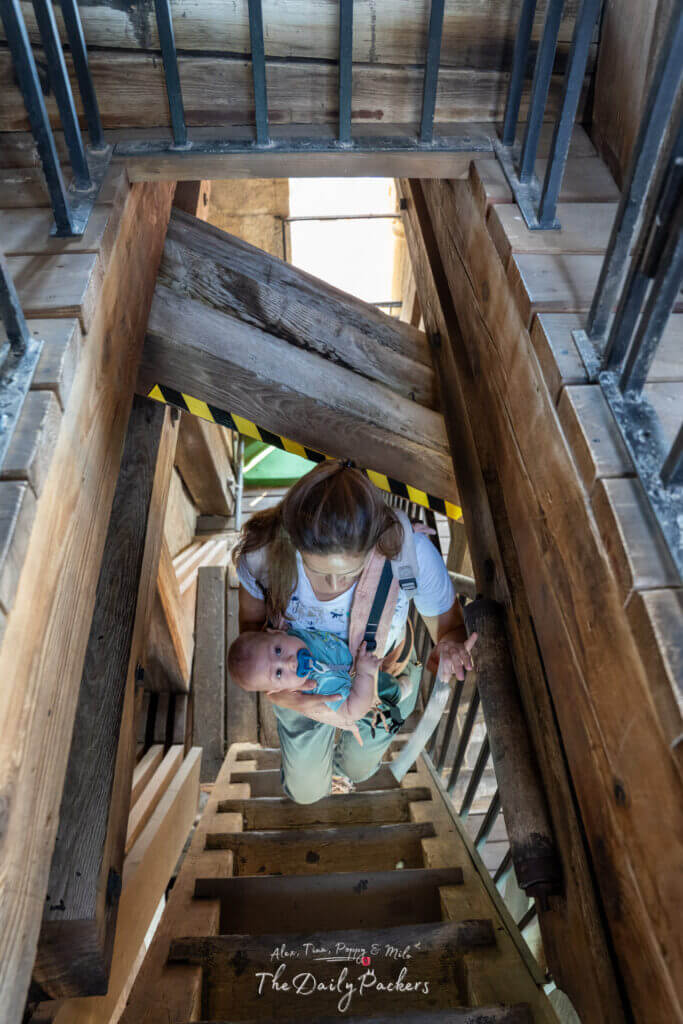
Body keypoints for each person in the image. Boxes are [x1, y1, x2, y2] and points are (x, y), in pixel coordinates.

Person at [234, 459, 476, 803]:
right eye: (316, 570)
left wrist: (449, 647)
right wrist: (287, 695)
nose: (334, 584)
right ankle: (317, 779)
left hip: (384, 681)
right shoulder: (263, 554)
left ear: (375, 542)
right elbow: (250, 633)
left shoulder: (411, 554)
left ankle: (345, 773)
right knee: (305, 793)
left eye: (350, 574)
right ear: (294, 540)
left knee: (360, 768)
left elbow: (449, 628)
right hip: (298, 684)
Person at [227, 627, 413, 744]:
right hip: (360, 683)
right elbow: (353, 711)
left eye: (278, 650)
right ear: (277, 690)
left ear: (277, 632)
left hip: (358, 652)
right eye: (278, 673)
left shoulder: (296, 630)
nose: (290, 662)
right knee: (387, 687)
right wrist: (364, 673)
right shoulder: (317, 687)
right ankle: (399, 691)